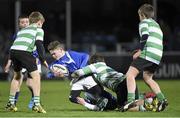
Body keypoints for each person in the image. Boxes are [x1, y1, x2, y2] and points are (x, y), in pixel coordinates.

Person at [123, 4, 168, 112]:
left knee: (129, 75)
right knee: (148, 78)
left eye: (139, 15)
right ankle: (162, 99)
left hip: (148, 53)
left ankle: (130, 101)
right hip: (157, 55)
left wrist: (141, 51)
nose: (139, 17)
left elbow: (145, 36)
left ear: (142, 15)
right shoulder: (156, 24)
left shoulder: (144, 23)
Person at [47, 41, 110, 111]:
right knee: (73, 98)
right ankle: (92, 105)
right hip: (77, 80)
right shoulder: (56, 64)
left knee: (102, 95)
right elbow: (48, 74)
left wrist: (81, 69)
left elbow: (86, 56)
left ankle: (107, 101)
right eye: (51, 54)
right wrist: (54, 74)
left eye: (54, 53)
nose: (53, 56)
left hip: (87, 76)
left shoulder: (71, 54)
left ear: (61, 50)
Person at [5, 11, 48, 113]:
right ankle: (37, 104)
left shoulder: (21, 31)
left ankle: (11, 102)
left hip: (13, 52)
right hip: (24, 52)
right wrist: (43, 59)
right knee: (36, 76)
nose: (42, 25)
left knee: (17, 77)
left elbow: (13, 45)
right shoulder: (38, 29)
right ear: (39, 21)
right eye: (42, 23)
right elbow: (39, 45)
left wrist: (9, 61)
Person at [71, 54, 140, 111]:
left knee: (122, 108)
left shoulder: (95, 66)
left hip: (120, 86)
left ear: (92, 62)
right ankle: (147, 102)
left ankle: (145, 102)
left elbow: (78, 73)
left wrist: (72, 76)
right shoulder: (106, 68)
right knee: (134, 105)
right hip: (129, 83)